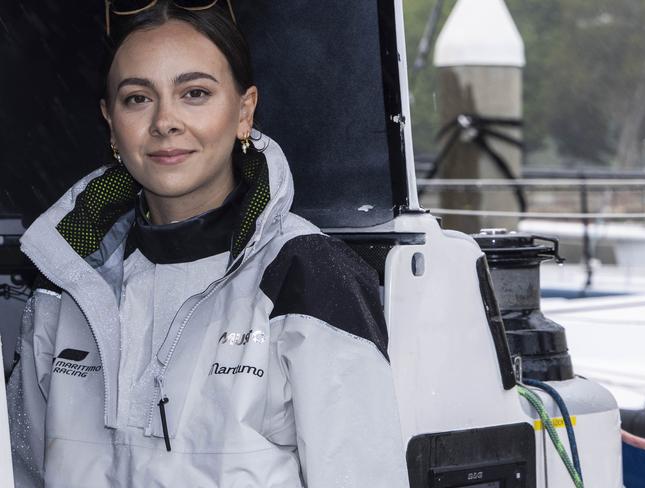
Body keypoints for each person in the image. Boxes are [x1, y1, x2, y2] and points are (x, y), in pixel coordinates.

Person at [6, 1, 410, 487]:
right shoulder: (65, 274)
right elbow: (21, 468)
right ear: (110, 123)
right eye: (137, 98)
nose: (165, 121)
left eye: (194, 93)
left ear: (244, 111)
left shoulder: (306, 276)